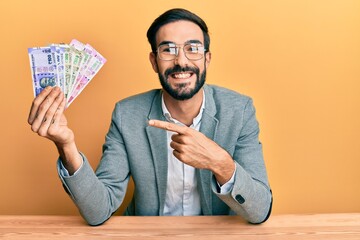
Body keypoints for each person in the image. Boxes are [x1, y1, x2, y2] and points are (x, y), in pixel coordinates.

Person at [28, 8, 273, 226]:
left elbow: (260, 210)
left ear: (207, 58)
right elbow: (98, 211)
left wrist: (220, 162)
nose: (181, 61)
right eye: (168, 50)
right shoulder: (127, 114)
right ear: (154, 61)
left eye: (193, 49)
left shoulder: (239, 110)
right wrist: (66, 145)